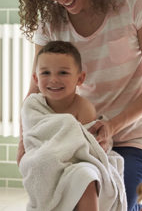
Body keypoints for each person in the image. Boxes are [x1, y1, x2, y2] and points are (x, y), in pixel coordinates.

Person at [17, 0, 142, 210]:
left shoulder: (136, 3)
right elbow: (35, 89)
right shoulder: (52, 21)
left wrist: (113, 124)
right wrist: (24, 140)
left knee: (117, 202)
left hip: (133, 134)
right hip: (80, 135)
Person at [22, 40, 99, 211]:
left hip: (76, 163)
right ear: (35, 78)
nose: (54, 80)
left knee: (86, 176)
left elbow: (88, 147)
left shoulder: (84, 107)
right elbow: (33, 140)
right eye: (45, 73)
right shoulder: (32, 106)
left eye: (63, 72)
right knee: (40, 163)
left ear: (80, 78)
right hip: (45, 161)